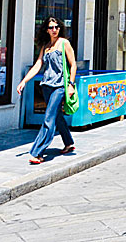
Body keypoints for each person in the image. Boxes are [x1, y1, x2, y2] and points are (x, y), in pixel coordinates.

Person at [17, 17, 76, 164]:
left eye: (56, 27)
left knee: (48, 117)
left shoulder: (64, 43)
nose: (54, 30)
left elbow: (73, 64)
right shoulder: (46, 46)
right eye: (51, 27)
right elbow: (38, 65)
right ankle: (68, 142)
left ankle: (38, 152)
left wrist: (71, 85)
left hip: (60, 86)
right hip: (46, 86)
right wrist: (24, 81)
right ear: (46, 30)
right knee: (56, 116)